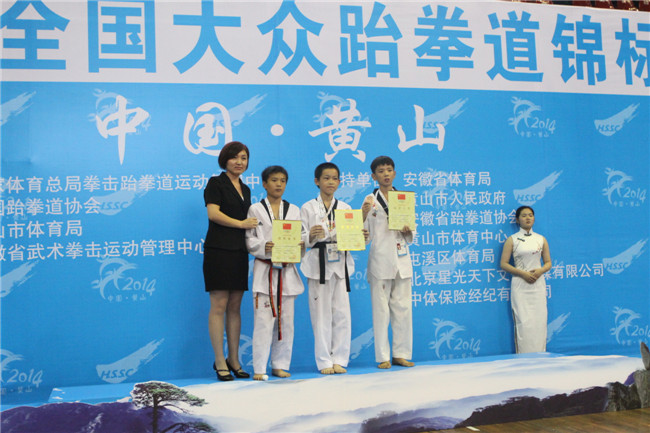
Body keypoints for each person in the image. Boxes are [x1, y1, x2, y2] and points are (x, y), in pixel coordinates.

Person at [301, 162, 367, 374]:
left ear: (339, 182)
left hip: (340, 263)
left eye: (334, 178)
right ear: (317, 181)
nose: (331, 182)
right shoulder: (308, 207)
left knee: (342, 314)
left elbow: (352, 236)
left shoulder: (345, 208)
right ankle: (324, 361)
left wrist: (360, 236)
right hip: (317, 265)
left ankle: (340, 358)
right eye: (326, 178)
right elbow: (299, 237)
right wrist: (310, 236)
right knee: (321, 316)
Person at [203, 141, 258, 381]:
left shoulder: (245, 189)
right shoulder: (216, 183)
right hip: (218, 250)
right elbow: (213, 214)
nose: (239, 162)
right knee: (219, 306)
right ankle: (219, 361)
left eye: (244, 158)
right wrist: (241, 224)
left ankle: (234, 359)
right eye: (235, 157)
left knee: (235, 306)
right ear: (224, 159)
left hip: (239, 251)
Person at [246, 166, 305, 381]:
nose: (279, 184)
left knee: (286, 322)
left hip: (287, 271)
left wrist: (300, 245)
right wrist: (264, 246)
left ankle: (280, 364)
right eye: (274, 180)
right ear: (264, 184)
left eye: (282, 180)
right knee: (263, 322)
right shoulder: (255, 209)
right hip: (265, 271)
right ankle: (259, 367)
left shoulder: (294, 210)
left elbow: (301, 236)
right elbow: (249, 239)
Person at [361, 156, 415, 369]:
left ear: (394, 173)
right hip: (380, 259)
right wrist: (363, 214)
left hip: (402, 258)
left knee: (403, 308)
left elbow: (411, 235)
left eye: (389, 170)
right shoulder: (370, 200)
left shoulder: (403, 198)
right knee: (381, 310)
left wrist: (408, 230)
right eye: (381, 171)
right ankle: (383, 356)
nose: (386, 174)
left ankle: (401, 353)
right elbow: (363, 235)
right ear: (374, 176)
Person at [500, 205, 552, 354]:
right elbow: (503, 264)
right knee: (524, 323)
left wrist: (540, 271)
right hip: (520, 285)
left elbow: (548, 262)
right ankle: (524, 359)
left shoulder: (541, 239)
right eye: (524, 216)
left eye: (530, 215)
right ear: (517, 220)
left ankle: (541, 356)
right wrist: (522, 274)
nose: (528, 218)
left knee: (539, 322)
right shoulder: (512, 240)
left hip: (538, 284)